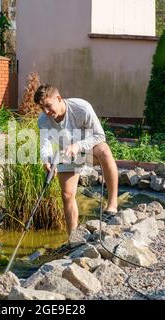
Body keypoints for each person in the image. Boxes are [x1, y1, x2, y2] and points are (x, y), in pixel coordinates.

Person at [35, 84, 119, 235]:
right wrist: (46, 160)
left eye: (48, 106)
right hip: (67, 153)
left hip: (89, 149)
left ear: (59, 98)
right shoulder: (43, 120)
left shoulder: (81, 107)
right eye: (42, 108)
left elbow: (100, 136)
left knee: (105, 151)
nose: (46, 112)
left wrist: (78, 146)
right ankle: (72, 237)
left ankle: (112, 204)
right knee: (67, 194)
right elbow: (45, 145)